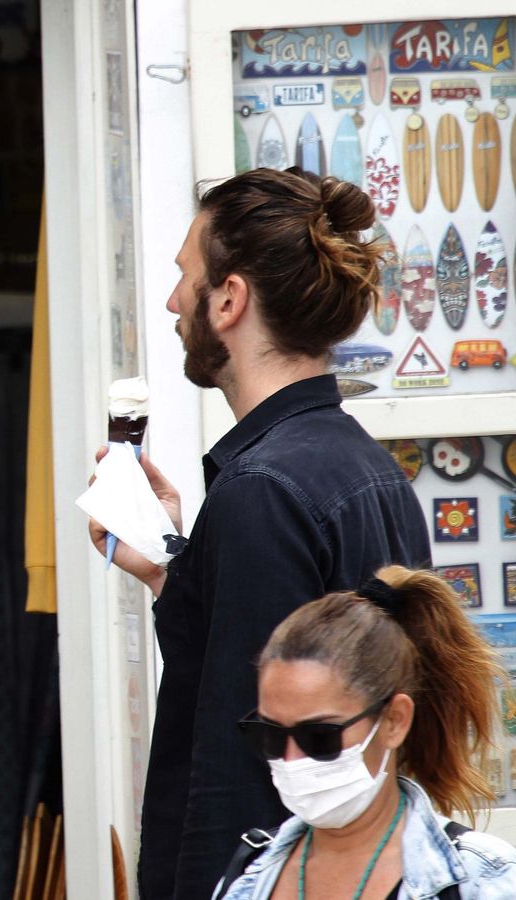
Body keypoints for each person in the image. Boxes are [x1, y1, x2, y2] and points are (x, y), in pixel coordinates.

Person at [87, 168, 433, 900]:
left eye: (187, 276)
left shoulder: (262, 491)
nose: (173, 301)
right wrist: (172, 570)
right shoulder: (368, 469)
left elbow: (238, 762)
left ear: (230, 298)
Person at [213, 567, 516, 899]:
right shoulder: (249, 876)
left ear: (394, 721)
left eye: (319, 736)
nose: (291, 759)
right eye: (268, 735)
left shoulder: (484, 881)